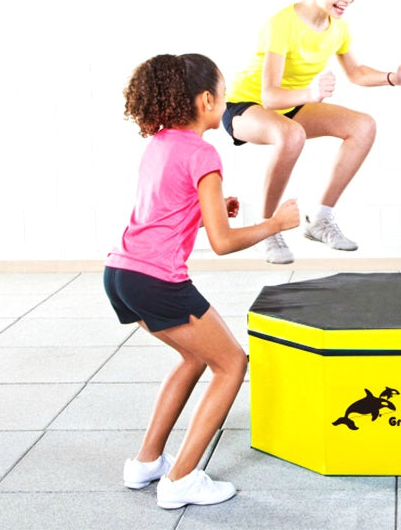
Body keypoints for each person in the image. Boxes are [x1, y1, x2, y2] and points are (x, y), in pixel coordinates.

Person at [104, 53, 300, 509]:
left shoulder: (159, 143)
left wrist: (205, 208)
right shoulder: (203, 153)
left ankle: (146, 463)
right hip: (156, 280)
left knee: (194, 358)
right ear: (207, 100)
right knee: (231, 363)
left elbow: (164, 213)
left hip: (121, 274)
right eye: (225, 95)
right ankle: (181, 480)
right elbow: (223, 242)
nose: (227, 103)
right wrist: (276, 223)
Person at [223, 0, 401, 264]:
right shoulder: (281, 25)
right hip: (245, 106)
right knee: (292, 134)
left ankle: (321, 219)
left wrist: (392, 77)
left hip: (293, 104)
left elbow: (356, 73)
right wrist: (310, 94)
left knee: (363, 126)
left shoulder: (337, 28)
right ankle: (267, 228)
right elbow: (269, 96)